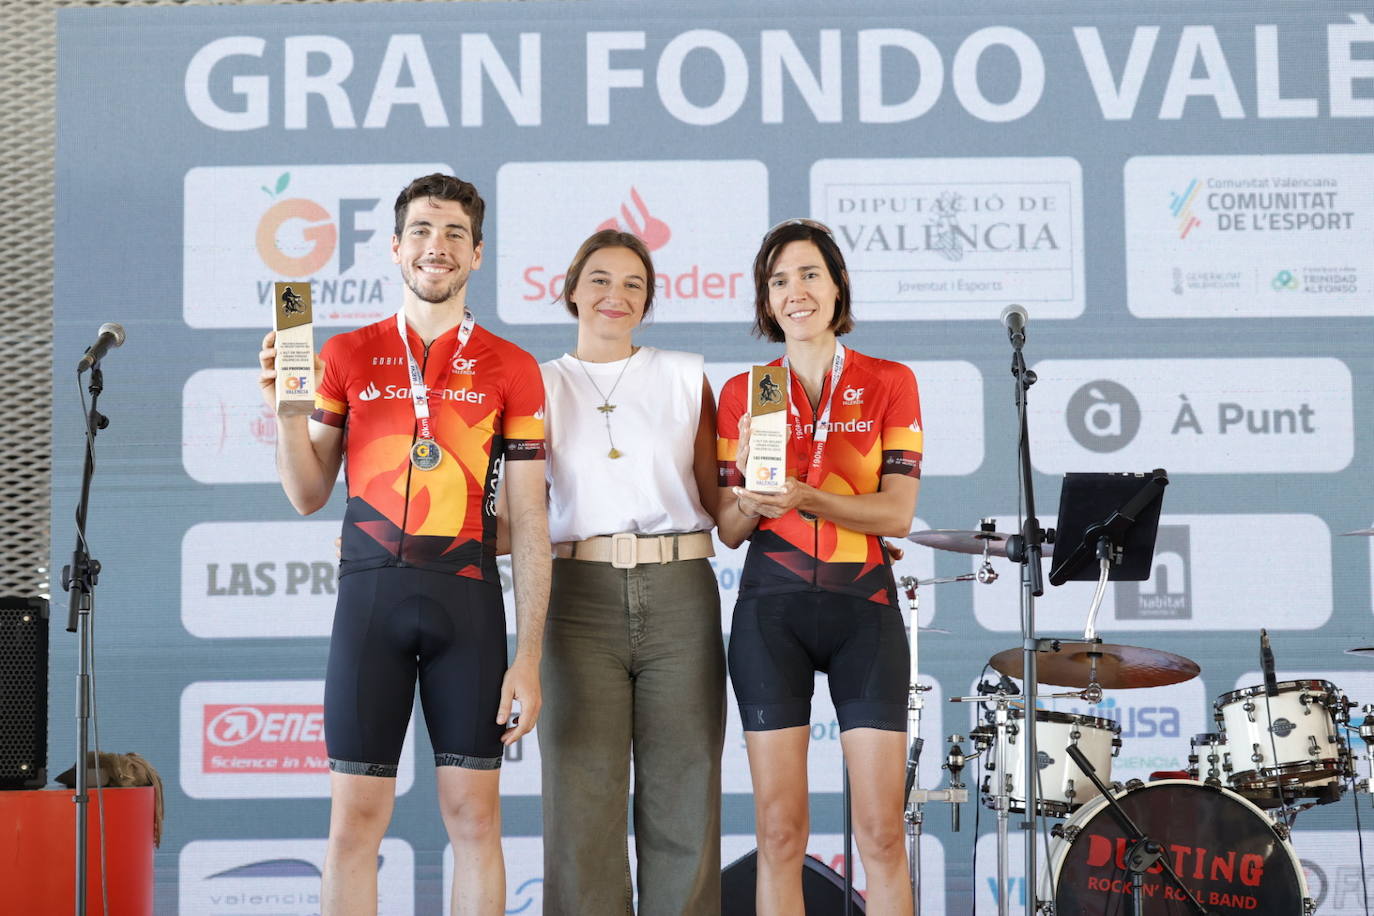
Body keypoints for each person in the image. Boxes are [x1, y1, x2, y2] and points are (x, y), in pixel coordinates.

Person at [257, 173, 550, 916]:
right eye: (421, 230)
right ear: (395, 247)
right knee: (354, 823)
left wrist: (531, 658)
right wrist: (289, 416)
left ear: (478, 254)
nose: (436, 246)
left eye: (454, 233)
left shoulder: (512, 367)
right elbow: (307, 493)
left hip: (470, 605)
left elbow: (533, 523)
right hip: (370, 604)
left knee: (476, 821)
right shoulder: (349, 354)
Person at [715, 219, 923, 915]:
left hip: (863, 609)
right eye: (778, 281)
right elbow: (731, 528)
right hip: (771, 614)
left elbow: (895, 514)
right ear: (765, 301)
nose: (795, 292)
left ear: (837, 286)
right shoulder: (750, 392)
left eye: (809, 275)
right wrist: (746, 486)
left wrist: (806, 497)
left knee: (882, 833)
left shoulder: (889, 380)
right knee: (778, 834)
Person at [536, 229, 725, 914]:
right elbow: (519, 515)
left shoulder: (682, 375)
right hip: (577, 596)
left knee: (687, 788)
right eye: (600, 280)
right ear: (570, 291)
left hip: (681, 593)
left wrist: (820, 513)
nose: (615, 295)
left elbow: (722, 504)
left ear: (647, 302)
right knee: (579, 795)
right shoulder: (538, 385)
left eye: (633, 285)